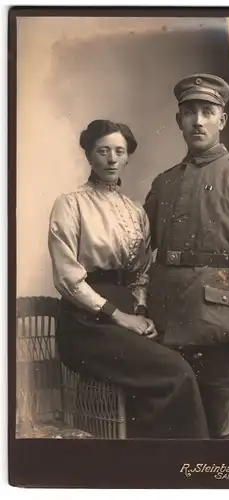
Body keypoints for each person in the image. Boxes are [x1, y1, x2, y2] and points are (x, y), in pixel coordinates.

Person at [48, 119, 208, 439]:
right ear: (89, 155)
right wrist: (119, 316)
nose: (111, 159)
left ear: (127, 157)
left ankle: (156, 466)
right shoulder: (70, 204)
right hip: (86, 324)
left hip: (126, 318)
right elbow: (67, 279)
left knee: (186, 362)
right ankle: (185, 462)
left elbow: (140, 272)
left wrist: (139, 312)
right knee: (176, 373)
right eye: (103, 150)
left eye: (119, 151)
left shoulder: (135, 211)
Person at [144, 74, 229, 439]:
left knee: (218, 420)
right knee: (175, 424)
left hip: (217, 321)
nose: (198, 121)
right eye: (190, 112)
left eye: (207, 112)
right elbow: (143, 248)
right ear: (179, 121)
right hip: (167, 318)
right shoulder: (165, 183)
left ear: (222, 120)